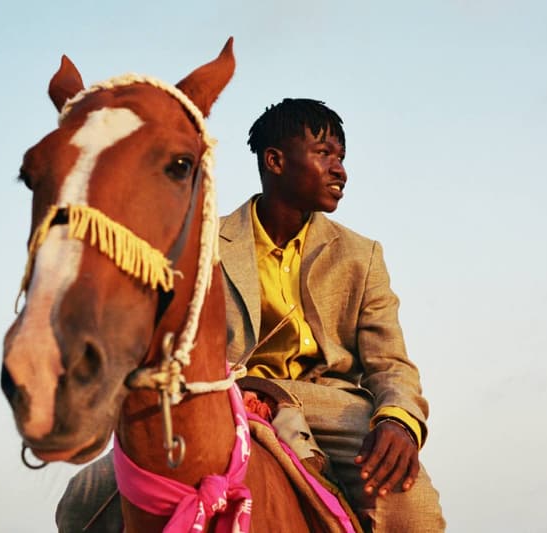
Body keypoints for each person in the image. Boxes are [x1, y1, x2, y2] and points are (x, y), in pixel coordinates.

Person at [57, 98, 445, 532]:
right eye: (324, 154)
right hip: (219, 399)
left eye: (341, 157)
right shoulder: (204, 245)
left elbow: (391, 363)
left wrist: (398, 422)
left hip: (328, 407)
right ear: (275, 161)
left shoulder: (361, 256)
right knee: (77, 505)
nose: (340, 170)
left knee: (417, 512)